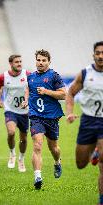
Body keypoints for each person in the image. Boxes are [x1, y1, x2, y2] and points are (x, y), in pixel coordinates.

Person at [22, 49, 66, 189]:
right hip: (36, 116)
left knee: (54, 148)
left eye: (43, 60)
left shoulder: (54, 76)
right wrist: (26, 100)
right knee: (37, 144)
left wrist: (47, 92)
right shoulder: (31, 77)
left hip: (52, 117)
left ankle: (57, 162)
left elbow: (64, 94)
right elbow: (28, 89)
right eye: (38, 60)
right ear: (35, 61)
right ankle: (38, 177)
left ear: (49, 62)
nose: (40, 63)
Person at [65, 41, 103, 205]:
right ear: (93, 54)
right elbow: (70, 93)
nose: (101, 56)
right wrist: (70, 112)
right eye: (98, 53)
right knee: (80, 164)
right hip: (87, 121)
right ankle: (94, 152)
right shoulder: (85, 74)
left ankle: (101, 199)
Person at [0, 55, 30, 172]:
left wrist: (27, 99)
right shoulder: (3, 77)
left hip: (24, 112)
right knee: (11, 132)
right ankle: (12, 154)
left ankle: (21, 159)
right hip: (10, 110)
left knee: (23, 139)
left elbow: (30, 88)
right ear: (11, 63)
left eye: (20, 61)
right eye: (17, 62)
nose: (19, 64)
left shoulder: (27, 74)